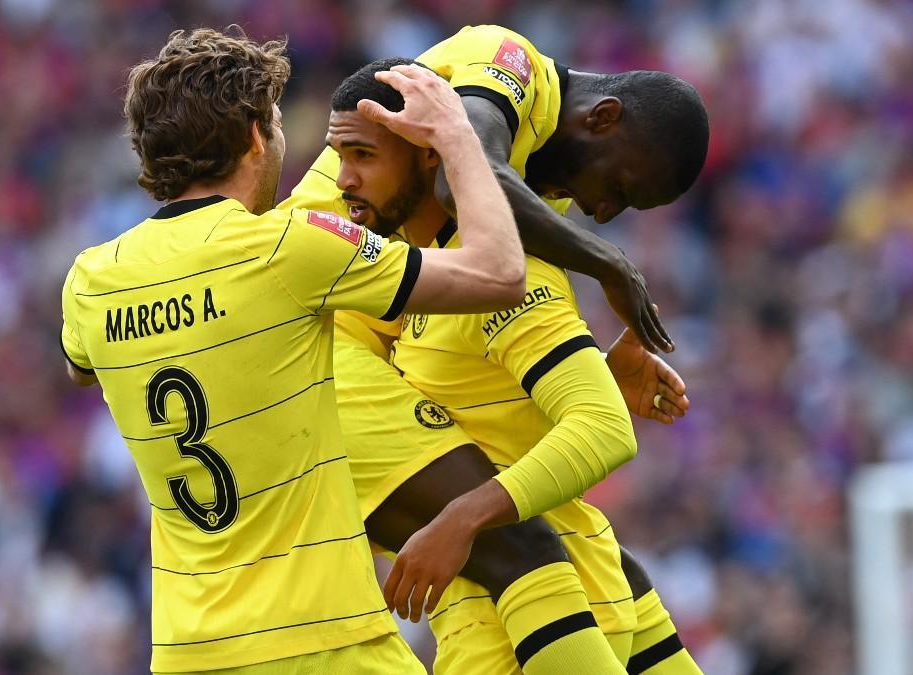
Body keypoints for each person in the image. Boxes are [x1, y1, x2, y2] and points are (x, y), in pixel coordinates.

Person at [58, 26, 535, 675]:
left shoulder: (90, 279)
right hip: (324, 642)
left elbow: (81, 367)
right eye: (278, 124)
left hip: (188, 651)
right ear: (256, 135)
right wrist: (455, 133)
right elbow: (500, 273)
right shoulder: (290, 246)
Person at [281, 24, 708, 674]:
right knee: (506, 535)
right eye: (618, 188)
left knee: (546, 527)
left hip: (361, 334)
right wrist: (612, 267)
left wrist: (585, 363)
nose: (597, 212)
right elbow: (466, 174)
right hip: (315, 348)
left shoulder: (494, 236)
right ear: (603, 119)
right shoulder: (503, 66)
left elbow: (523, 388)